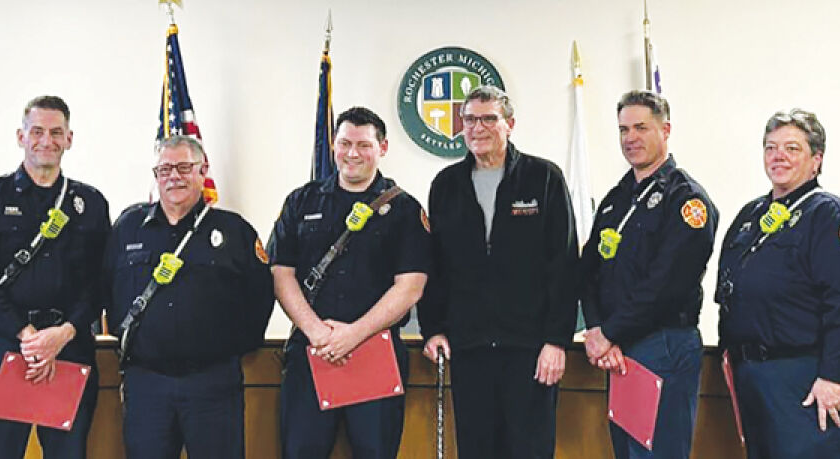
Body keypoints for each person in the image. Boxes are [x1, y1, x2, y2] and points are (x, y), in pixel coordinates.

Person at [417, 86, 578, 458]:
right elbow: (434, 266)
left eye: (488, 118)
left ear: (510, 124)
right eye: (469, 119)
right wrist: (434, 328)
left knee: (529, 450)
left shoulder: (544, 178)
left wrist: (556, 340)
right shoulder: (446, 185)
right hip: (467, 347)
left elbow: (564, 265)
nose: (477, 127)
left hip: (530, 349)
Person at [268, 107, 431, 459]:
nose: (352, 153)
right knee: (300, 451)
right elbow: (282, 273)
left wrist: (352, 335)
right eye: (344, 143)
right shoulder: (302, 201)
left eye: (363, 144)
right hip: (312, 351)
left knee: (374, 452)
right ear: (333, 145)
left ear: (382, 148)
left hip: (375, 351)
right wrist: (318, 333)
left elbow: (411, 286)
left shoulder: (404, 209)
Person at [0, 95, 109, 459]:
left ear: (69, 139)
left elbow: (101, 281)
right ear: (20, 136)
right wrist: (27, 337)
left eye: (57, 132)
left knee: (67, 454)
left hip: (68, 347)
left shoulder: (90, 204)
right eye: (37, 131)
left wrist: (64, 333)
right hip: (7, 347)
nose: (47, 140)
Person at [102, 135, 274, 459]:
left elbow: (260, 296)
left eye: (184, 167)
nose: (174, 176)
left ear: (202, 170)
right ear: (155, 175)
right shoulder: (127, 229)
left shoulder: (234, 231)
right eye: (165, 169)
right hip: (146, 383)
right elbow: (106, 289)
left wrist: (231, 348)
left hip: (213, 384)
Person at [715, 109, 840, 458]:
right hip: (755, 375)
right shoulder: (751, 216)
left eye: (791, 148)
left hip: (807, 376)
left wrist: (832, 376)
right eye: (770, 147)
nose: (778, 156)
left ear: (816, 159)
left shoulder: (830, 216)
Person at [580, 90, 718, 458]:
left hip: (663, 344)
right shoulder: (615, 199)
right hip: (616, 348)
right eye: (623, 129)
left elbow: (665, 286)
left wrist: (609, 332)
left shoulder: (687, 200)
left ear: (666, 130)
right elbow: (587, 271)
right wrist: (596, 328)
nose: (630, 138)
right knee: (627, 452)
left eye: (641, 127)